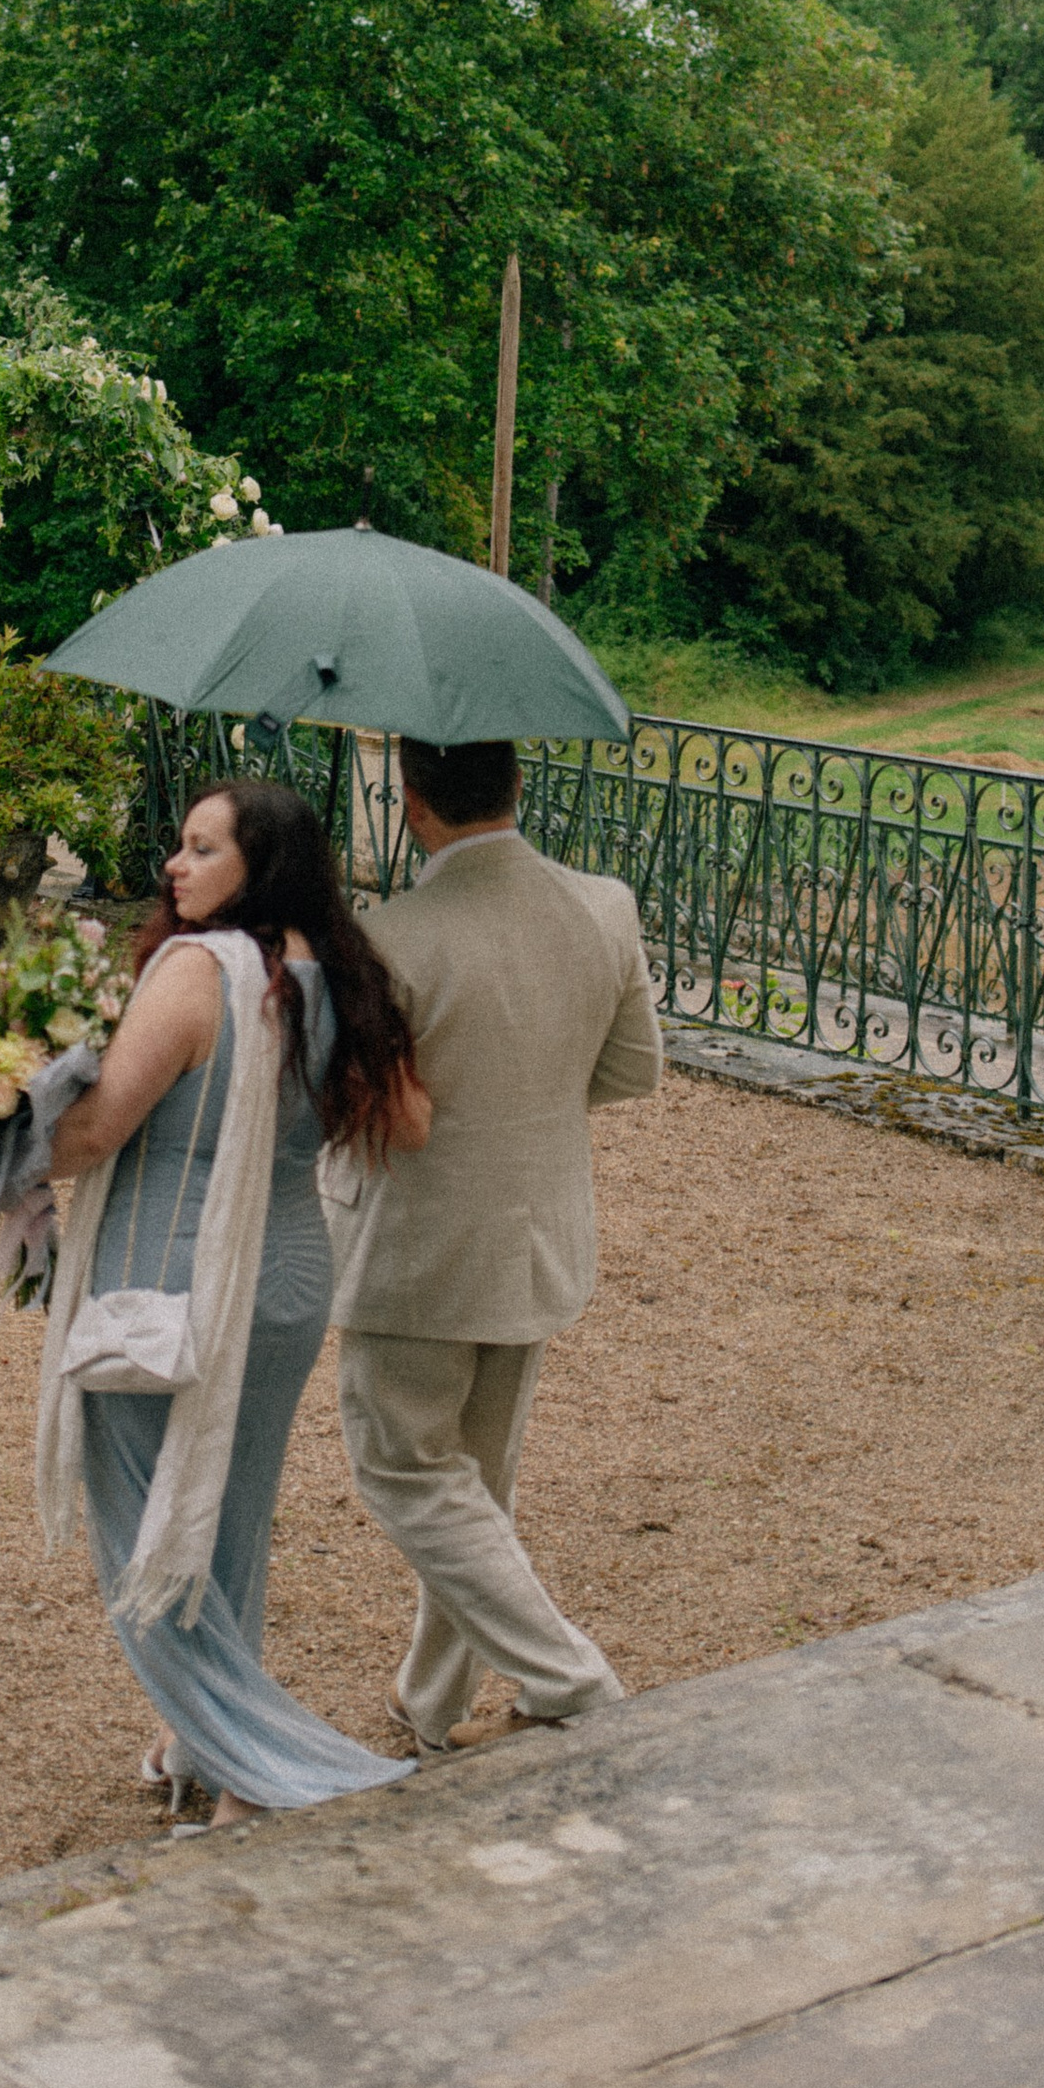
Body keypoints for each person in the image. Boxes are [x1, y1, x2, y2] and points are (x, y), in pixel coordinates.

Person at [43, 779, 424, 1826]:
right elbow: (407, 1121)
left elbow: (94, 1132)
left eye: (203, 848)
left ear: (262, 865)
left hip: (174, 1280)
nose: (175, 863)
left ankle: (253, 1763)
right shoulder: (342, 974)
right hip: (291, 1276)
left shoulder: (199, 971)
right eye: (179, 842)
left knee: (148, 1524)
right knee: (230, 1515)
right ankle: (195, 1748)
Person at [329, 731, 665, 1752]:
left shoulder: (390, 932)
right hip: (539, 1237)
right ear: (517, 785)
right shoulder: (601, 905)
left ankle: (568, 1674)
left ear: (412, 801)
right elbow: (633, 1069)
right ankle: (430, 1699)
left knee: (404, 1470)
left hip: (416, 1250)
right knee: (473, 1483)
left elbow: (364, 1112)